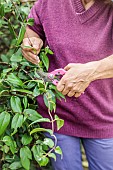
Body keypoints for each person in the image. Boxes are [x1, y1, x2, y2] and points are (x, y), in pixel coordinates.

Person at [22, 0, 113, 169]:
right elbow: (33, 29)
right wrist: (32, 42)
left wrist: (91, 71)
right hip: (56, 115)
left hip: (104, 116)